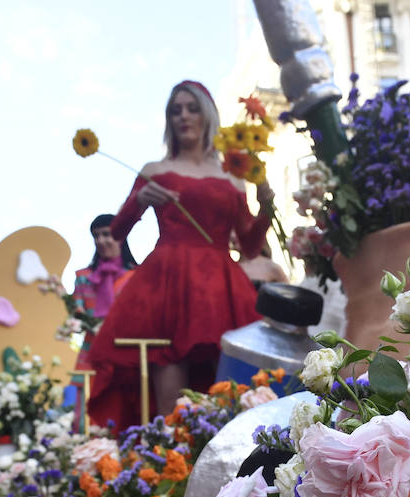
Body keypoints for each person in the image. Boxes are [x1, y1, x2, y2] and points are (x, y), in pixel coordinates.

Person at [85, 79, 276, 429]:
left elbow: (248, 247)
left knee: (234, 397)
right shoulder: (154, 170)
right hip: (167, 288)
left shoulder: (233, 177)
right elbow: (117, 233)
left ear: (207, 116)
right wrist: (139, 200)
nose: (183, 116)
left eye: (191, 108)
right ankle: (170, 471)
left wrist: (266, 206)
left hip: (221, 291)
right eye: (175, 111)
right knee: (172, 411)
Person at [72, 214, 138, 320]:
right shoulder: (83, 277)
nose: (100, 241)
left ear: (121, 237)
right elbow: (76, 314)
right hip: (93, 336)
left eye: (106, 234)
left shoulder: (137, 275)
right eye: (96, 236)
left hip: (127, 336)